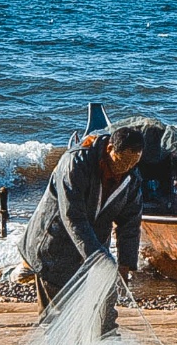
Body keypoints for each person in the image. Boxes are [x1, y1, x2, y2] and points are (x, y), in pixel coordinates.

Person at [19, 116, 158, 317]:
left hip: (91, 246)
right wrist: (97, 257)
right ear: (110, 149)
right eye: (124, 161)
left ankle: (105, 344)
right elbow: (72, 216)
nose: (127, 167)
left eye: (134, 162)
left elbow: (129, 224)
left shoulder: (131, 178)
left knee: (104, 309)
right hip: (53, 243)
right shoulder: (76, 163)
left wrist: (124, 265)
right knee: (56, 316)